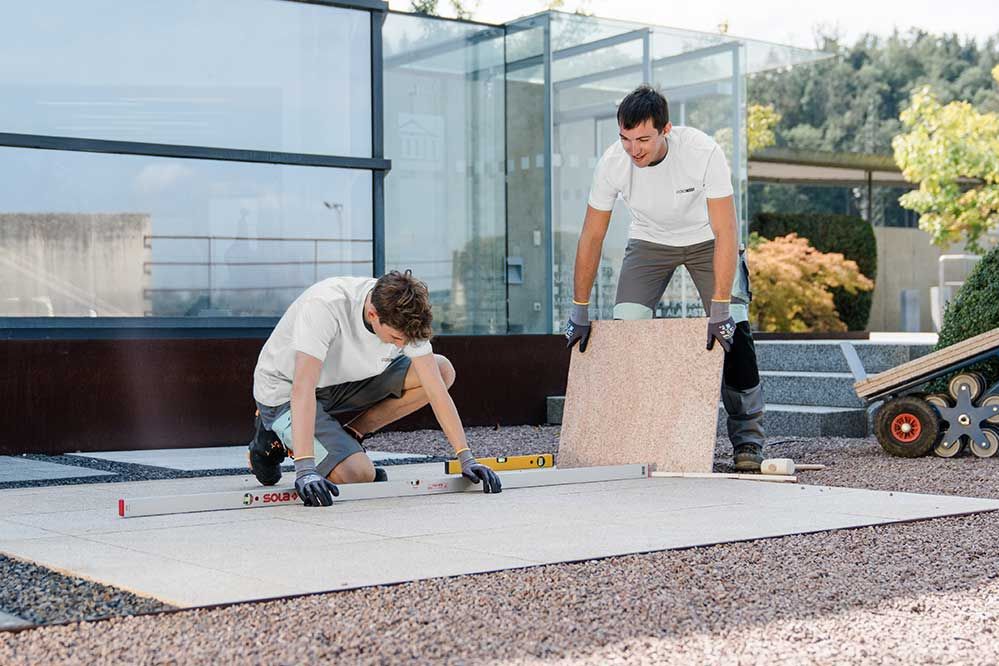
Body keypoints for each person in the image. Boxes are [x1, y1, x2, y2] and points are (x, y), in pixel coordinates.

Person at [564, 84, 766, 471]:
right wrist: (579, 308)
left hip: (708, 240)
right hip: (649, 241)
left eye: (643, 139)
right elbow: (592, 236)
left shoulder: (703, 152)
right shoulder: (612, 164)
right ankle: (636, 437)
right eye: (625, 139)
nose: (633, 149)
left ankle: (749, 442)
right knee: (628, 330)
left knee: (735, 332)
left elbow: (727, 231)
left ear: (665, 129)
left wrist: (721, 308)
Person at [249, 270, 501, 506]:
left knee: (441, 370)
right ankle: (271, 436)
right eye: (396, 340)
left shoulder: (407, 315)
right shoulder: (325, 306)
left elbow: (436, 389)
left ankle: (352, 435)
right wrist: (306, 469)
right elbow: (302, 389)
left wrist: (465, 457)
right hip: (285, 390)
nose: (403, 345)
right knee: (358, 474)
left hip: (346, 381)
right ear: (372, 315)